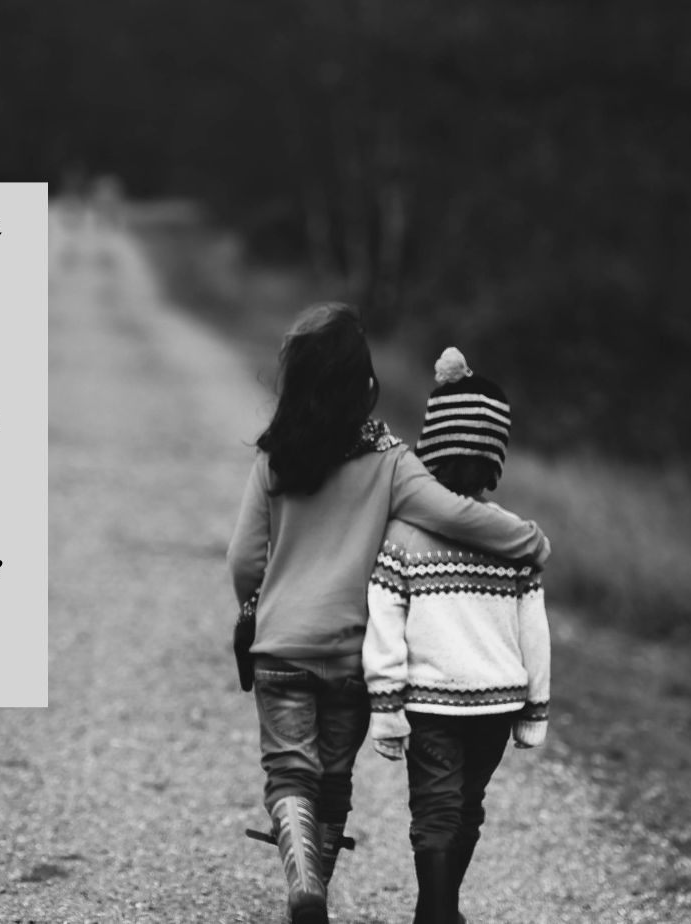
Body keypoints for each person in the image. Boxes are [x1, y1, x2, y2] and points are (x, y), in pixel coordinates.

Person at [226, 306, 551, 924]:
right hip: (352, 656)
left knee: (290, 772)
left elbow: (244, 558)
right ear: (365, 385)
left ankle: (305, 884)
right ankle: (315, 876)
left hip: (281, 650)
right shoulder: (392, 462)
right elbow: (456, 514)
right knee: (333, 781)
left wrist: (255, 608)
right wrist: (528, 540)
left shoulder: (273, 460)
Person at [363, 347, 552, 924]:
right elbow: (534, 630)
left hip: (431, 703)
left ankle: (436, 912)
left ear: (431, 449)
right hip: (497, 702)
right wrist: (535, 709)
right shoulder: (512, 541)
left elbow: (383, 621)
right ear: (495, 455)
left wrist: (386, 705)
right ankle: (440, 911)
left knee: (436, 810)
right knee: (467, 807)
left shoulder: (403, 536)